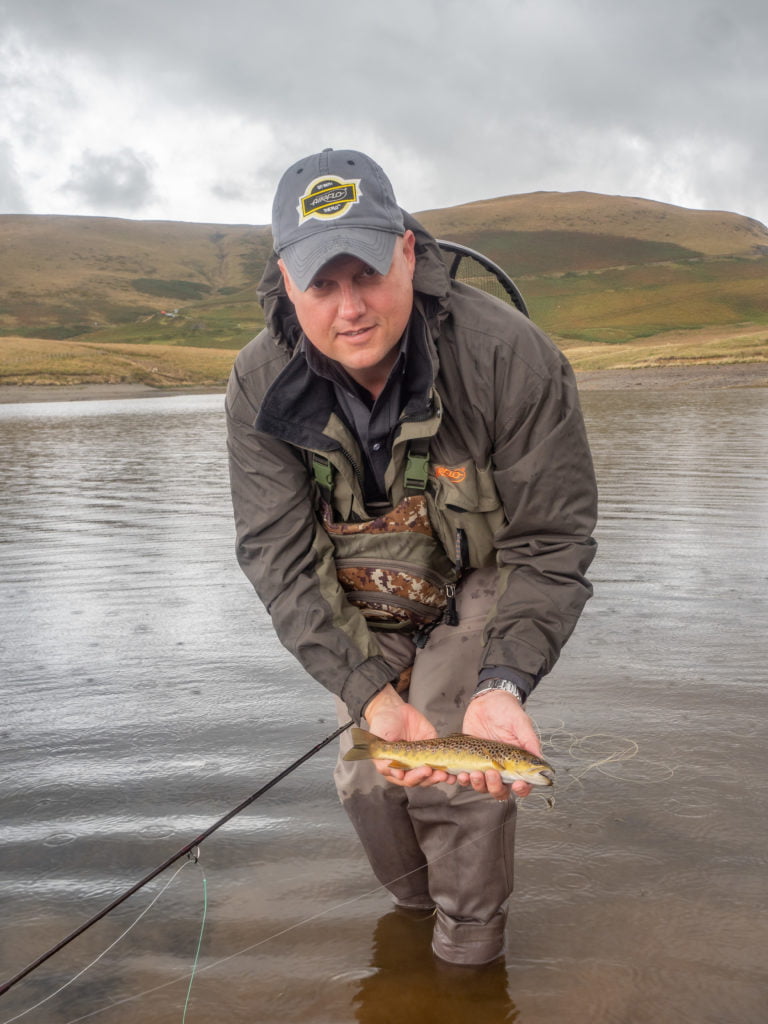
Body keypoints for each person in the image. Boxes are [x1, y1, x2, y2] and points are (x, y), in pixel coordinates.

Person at [226, 148, 597, 966]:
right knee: (371, 777)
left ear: (408, 251)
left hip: (483, 577)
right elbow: (279, 557)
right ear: (287, 281)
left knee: (467, 786)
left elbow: (552, 541)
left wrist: (505, 685)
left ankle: (466, 962)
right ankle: (414, 907)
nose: (349, 307)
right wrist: (368, 693)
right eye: (323, 283)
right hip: (364, 591)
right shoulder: (258, 385)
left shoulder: (510, 355)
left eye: (366, 272)